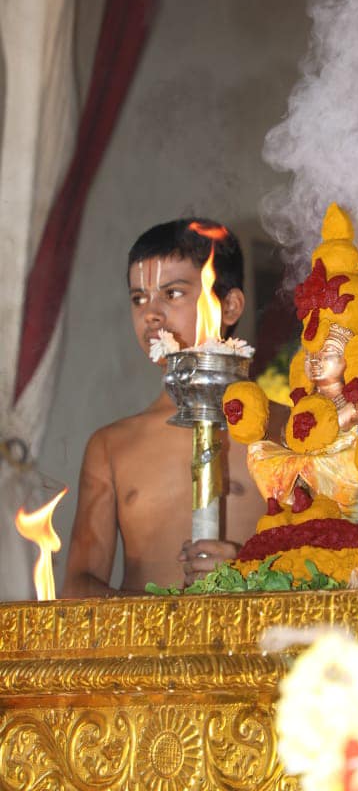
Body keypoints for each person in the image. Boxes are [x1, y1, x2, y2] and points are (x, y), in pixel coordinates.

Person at [62, 218, 269, 597]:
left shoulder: (284, 431)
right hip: (144, 636)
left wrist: (246, 577)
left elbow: (330, 566)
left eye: (172, 293)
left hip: (261, 634)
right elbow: (78, 585)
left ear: (230, 306)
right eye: (139, 298)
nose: (151, 313)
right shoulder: (111, 446)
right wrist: (165, 617)